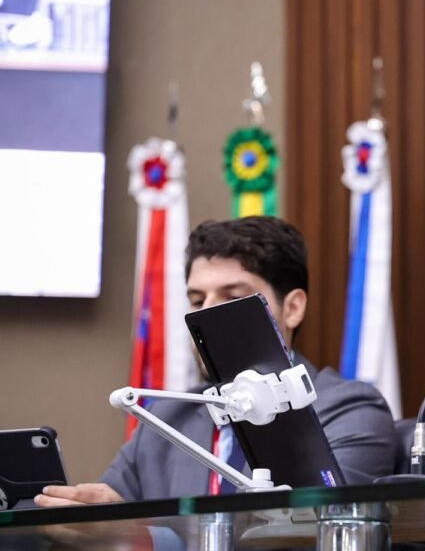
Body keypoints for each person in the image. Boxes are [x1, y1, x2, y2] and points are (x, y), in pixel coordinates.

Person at [36, 216, 397, 506]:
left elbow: (314, 531)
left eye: (231, 297)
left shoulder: (349, 409)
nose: (204, 316)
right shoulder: (167, 417)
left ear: (292, 308)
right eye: (197, 301)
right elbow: (111, 507)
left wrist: (145, 536)